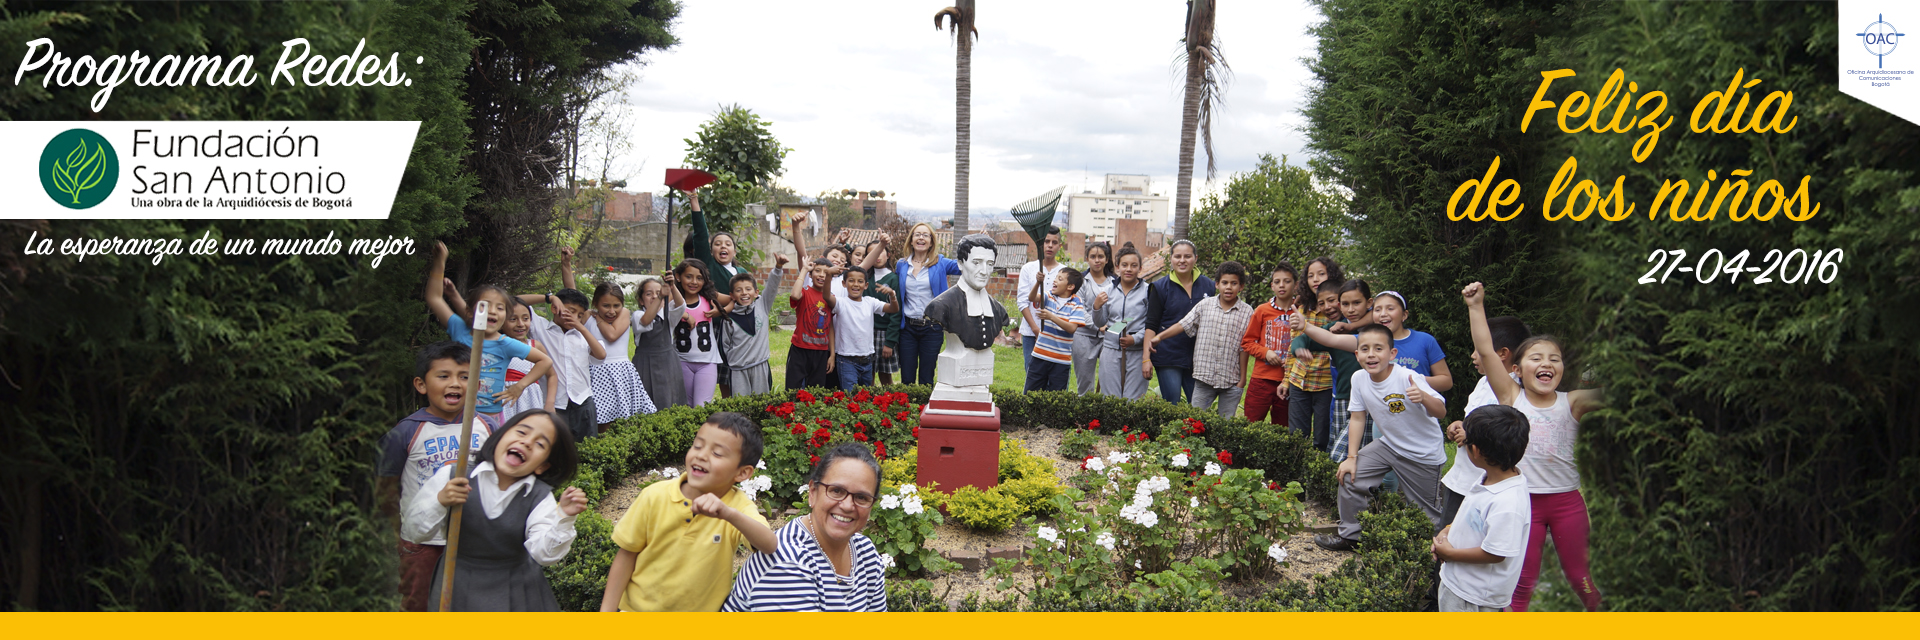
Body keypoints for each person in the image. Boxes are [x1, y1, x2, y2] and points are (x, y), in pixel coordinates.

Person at [1463, 281, 1606, 612]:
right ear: (1515, 369)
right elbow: (1486, 350)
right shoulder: (1511, 397)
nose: (1547, 363)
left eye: (1554, 358)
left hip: (1567, 503)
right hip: (1523, 503)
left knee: (1581, 578)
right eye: (1537, 357)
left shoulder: (1573, 403)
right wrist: (1475, 307)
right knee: (1522, 582)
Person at [405, 409, 586, 611]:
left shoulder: (539, 496)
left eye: (540, 444)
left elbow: (543, 554)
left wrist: (564, 517)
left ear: (542, 466)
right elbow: (415, 532)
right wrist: (440, 500)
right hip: (457, 582)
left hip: (517, 590)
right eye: (522, 432)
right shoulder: (454, 476)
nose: (526, 442)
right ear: (501, 436)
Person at [600, 412, 777, 612]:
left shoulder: (736, 507)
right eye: (697, 446)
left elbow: (769, 544)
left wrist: (728, 514)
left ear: (742, 473)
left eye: (717, 453)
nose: (701, 455)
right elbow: (626, 555)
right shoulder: (654, 496)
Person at [377, 342, 501, 612]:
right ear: (421, 385)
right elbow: (385, 486)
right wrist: (399, 531)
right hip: (423, 541)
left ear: (478, 386)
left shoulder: (487, 427)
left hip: (472, 538)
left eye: (465, 376)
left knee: (469, 604)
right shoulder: (406, 433)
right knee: (419, 603)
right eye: (443, 376)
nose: (455, 383)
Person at [1314, 323, 1448, 552]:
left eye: (1378, 348)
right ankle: (1352, 537)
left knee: (1425, 514)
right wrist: (1352, 457)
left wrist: (1423, 397)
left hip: (1422, 453)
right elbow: (1357, 418)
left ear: (1392, 353)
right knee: (1349, 476)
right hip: (1389, 445)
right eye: (1364, 349)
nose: (1371, 354)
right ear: (1357, 354)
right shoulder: (1358, 379)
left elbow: (1441, 411)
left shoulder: (1408, 377)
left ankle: (1427, 557)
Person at [723, 443, 890, 611]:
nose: (847, 506)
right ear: (812, 492)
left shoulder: (865, 553)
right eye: (837, 491)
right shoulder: (787, 561)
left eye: (861, 497)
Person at [423, 242, 550, 423]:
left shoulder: (506, 343)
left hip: (489, 417)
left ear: (505, 316)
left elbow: (544, 361)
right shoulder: (460, 330)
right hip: (455, 413)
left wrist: (519, 386)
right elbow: (434, 298)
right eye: (485, 305)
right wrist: (439, 262)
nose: (492, 311)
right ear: (470, 311)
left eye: (499, 308)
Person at [1433, 404, 1533, 612]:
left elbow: (1496, 553)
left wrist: (1451, 554)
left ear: (1475, 450)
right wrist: (1449, 530)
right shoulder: (1489, 479)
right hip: (1460, 584)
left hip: (1474, 597)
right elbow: (1472, 517)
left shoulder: (1508, 502)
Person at [1439, 314, 1531, 526]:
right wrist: (1460, 425)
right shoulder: (1482, 383)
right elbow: (1472, 418)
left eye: (1478, 350)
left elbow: (1507, 430)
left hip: (1487, 483)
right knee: (1447, 533)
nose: (1472, 356)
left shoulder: (1516, 390)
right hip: (1461, 479)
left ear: (1502, 354)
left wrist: (1472, 434)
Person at [1295, 290, 1454, 393]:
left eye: (1390, 309)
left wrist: (1410, 380)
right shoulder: (1367, 340)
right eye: (1378, 310)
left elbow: (1446, 381)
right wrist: (1305, 326)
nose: (1383, 314)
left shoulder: (1425, 340)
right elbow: (1331, 339)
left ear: (1404, 315)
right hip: (1380, 415)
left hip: (1418, 413)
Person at [1148, 261, 1253, 417]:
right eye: (1224, 282)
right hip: (1204, 378)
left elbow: (1244, 347)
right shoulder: (1205, 305)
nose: (1229, 287)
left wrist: (1242, 380)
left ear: (1241, 286)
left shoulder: (1247, 312)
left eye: (1234, 283)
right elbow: (1183, 324)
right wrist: (1160, 337)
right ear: (1217, 284)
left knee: (1225, 425)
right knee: (1195, 420)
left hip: (1231, 379)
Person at [440, 280, 558, 417]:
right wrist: (454, 295)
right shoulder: (498, 344)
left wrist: (547, 401)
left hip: (525, 399)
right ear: (503, 321)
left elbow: (550, 371)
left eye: (525, 319)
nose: (520, 324)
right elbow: (474, 315)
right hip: (499, 401)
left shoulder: (530, 346)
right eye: (513, 319)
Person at [516, 286, 604, 443]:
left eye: (580, 315)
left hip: (583, 401)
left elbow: (601, 354)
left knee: (587, 448)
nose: (575, 317)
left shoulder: (583, 335)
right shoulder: (541, 328)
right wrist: (550, 298)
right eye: (570, 311)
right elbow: (515, 301)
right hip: (554, 403)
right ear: (555, 308)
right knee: (555, 447)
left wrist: (581, 328)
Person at [683, 191, 742, 398]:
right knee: (724, 374)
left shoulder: (742, 273)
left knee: (739, 371)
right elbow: (700, 233)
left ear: (734, 250)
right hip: (716, 327)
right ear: (710, 250)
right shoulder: (708, 266)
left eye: (728, 244)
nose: (723, 246)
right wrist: (694, 201)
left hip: (741, 328)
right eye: (717, 244)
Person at [1143, 239, 1216, 403]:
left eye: (1187, 256)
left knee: (1198, 407)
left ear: (1195, 258)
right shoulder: (1160, 287)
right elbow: (1151, 325)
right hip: (1168, 355)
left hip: (1199, 357)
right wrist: (1146, 359)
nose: (1182, 260)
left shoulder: (1209, 286)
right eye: (1177, 256)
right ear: (1171, 259)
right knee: (1172, 404)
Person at [893, 222, 961, 385]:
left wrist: (977, 246)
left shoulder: (941, 263)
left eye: (925, 235)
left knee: (926, 376)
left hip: (932, 327)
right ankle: (907, 409)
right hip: (907, 328)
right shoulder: (902, 265)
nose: (921, 238)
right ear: (911, 240)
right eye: (917, 234)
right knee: (907, 377)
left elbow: (964, 267)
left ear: (931, 241)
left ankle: (924, 408)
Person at [586, 282, 656, 430]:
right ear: (595, 303)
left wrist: (598, 318)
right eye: (606, 306)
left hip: (620, 373)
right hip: (596, 374)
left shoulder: (624, 313)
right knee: (600, 421)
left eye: (616, 305)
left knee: (625, 421)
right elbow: (572, 297)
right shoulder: (587, 317)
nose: (612, 311)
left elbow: (612, 335)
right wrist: (566, 264)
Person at [1320, 280, 1374, 462]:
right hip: (1343, 396)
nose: (1351, 309)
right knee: (1340, 450)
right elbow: (1306, 340)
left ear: (1369, 303)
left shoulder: (1380, 328)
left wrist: (1350, 328)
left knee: (1364, 449)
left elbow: (1380, 313)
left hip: (1373, 398)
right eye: (1345, 304)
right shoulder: (1336, 328)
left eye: (1357, 303)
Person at [718, 258, 788, 396]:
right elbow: (724, 346)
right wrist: (735, 362)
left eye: (748, 289)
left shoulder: (762, 305)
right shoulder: (728, 318)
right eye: (739, 290)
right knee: (740, 406)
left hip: (760, 366)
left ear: (756, 292)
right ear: (732, 295)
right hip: (738, 370)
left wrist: (778, 267)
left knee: (762, 404)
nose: (744, 293)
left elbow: (772, 287)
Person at [1241, 264, 1300, 426]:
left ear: (1295, 285)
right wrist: (1265, 352)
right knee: (1251, 425)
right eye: (1277, 281)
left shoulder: (1301, 312)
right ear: (1272, 285)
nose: (1282, 285)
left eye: (1287, 281)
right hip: (1262, 380)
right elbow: (1247, 342)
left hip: (1290, 381)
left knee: (1283, 428)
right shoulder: (1262, 311)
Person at [1093, 242, 1150, 399]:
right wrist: (1096, 307)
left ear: (1140, 268)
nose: (1129, 269)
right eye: (1124, 265)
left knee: (1133, 399)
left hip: (1137, 352)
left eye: (1133, 265)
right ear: (1117, 267)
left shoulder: (1148, 292)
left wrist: (1135, 338)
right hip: (1111, 349)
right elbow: (1100, 322)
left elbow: (1151, 324)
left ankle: (1129, 425)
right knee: (1110, 398)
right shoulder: (1108, 291)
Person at [667, 259, 724, 406]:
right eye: (688, 277)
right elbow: (664, 309)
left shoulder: (708, 297)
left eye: (699, 278)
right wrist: (670, 284)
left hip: (707, 362)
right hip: (681, 361)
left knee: (702, 406)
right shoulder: (673, 299)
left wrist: (720, 311)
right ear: (678, 276)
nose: (694, 282)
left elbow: (733, 300)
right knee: (686, 404)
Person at [832, 267, 899, 390]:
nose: (856, 284)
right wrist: (828, 276)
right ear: (844, 283)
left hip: (867, 359)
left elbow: (893, 309)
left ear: (866, 285)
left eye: (860, 281)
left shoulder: (870, 302)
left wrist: (892, 295)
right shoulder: (840, 303)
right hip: (846, 359)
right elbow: (826, 296)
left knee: (866, 395)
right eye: (851, 280)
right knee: (850, 394)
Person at [1026, 266, 1087, 392]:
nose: (1055, 281)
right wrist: (1038, 282)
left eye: (1059, 279)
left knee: (1056, 397)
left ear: (1070, 286)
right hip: (1040, 356)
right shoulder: (1049, 295)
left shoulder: (1076, 302)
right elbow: (1032, 298)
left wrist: (1051, 317)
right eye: (1055, 278)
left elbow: (1071, 328)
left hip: (1061, 360)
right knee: (1031, 393)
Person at [1015, 226, 1066, 374]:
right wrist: (1036, 329)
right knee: (1032, 373)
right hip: (1031, 333)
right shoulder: (1028, 268)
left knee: (1054, 375)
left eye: (1054, 242)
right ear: (1040, 245)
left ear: (1059, 246)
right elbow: (1023, 302)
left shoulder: (1064, 271)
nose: (1050, 245)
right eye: (1046, 241)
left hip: (1056, 333)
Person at [631, 277, 687, 408]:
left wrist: (673, 286)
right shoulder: (637, 315)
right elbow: (646, 321)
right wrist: (660, 296)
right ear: (641, 300)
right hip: (644, 363)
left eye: (658, 292)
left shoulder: (668, 315)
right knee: (645, 400)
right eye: (649, 294)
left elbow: (681, 306)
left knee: (669, 399)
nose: (654, 297)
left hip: (668, 363)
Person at [1073, 242, 1115, 394]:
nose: (1097, 260)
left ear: (1107, 259)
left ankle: (1105, 416)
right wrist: (1098, 326)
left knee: (1110, 382)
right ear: (1087, 259)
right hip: (1083, 337)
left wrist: (1110, 329)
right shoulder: (1080, 281)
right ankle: (1085, 417)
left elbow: (1118, 310)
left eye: (1101, 257)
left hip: (1109, 338)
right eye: (1093, 257)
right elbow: (1079, 309)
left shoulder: (1115, 282)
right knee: (1085, 385)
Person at [864, 239, 903, 386]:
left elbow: (896, 313)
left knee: (885, 376)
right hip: (866, 331)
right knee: (868, 374)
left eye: (881, 252)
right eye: (872, 253)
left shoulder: (894, 279)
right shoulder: (864, 279)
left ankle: (888, 403)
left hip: (884, 333)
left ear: (888, 255)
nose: (877, 256)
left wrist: (890, 342)